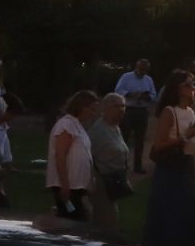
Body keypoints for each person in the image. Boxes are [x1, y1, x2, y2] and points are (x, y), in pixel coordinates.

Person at [144, 71, 195, 246]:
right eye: (189, 84)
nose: (193, 88)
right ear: (178, 88)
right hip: (171, 169)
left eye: (194, 84)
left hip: (186, 165)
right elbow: (159, 144)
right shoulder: (169, 112)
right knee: (170, 215)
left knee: (184, 214)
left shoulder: (190, 111)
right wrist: (183, 138)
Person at [47, 90, 100, 220]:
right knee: (73, 222)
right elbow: (60, 156)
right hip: (67, 185)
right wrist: (64, 185)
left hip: (76, 186)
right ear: (81, 107)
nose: (93, 114)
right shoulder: (66, 125)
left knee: (75, 219)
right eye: (91, 109)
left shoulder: (77, 125)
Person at [87, 93, 134, 233]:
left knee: (109, 218)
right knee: (107, 221)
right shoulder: (99, 131)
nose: (121, 109)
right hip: (101, 182)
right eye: (116, 106)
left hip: (113, 182)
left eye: (123, 106)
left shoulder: (115, 127)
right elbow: (87, 157)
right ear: (106, 108)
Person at [114, 59, 157, 174]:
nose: (142, 71)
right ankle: (121, 165)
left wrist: (146, 97)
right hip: (129, 110)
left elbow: (154, 95)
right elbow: (118, 90)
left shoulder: (148, 79)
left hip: (142, 111)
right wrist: (130, 94)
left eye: (145, 70)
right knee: (124, 138)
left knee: (140, 140)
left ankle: (138, 166)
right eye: (141, 69)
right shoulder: (126, 77)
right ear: (137, 67)